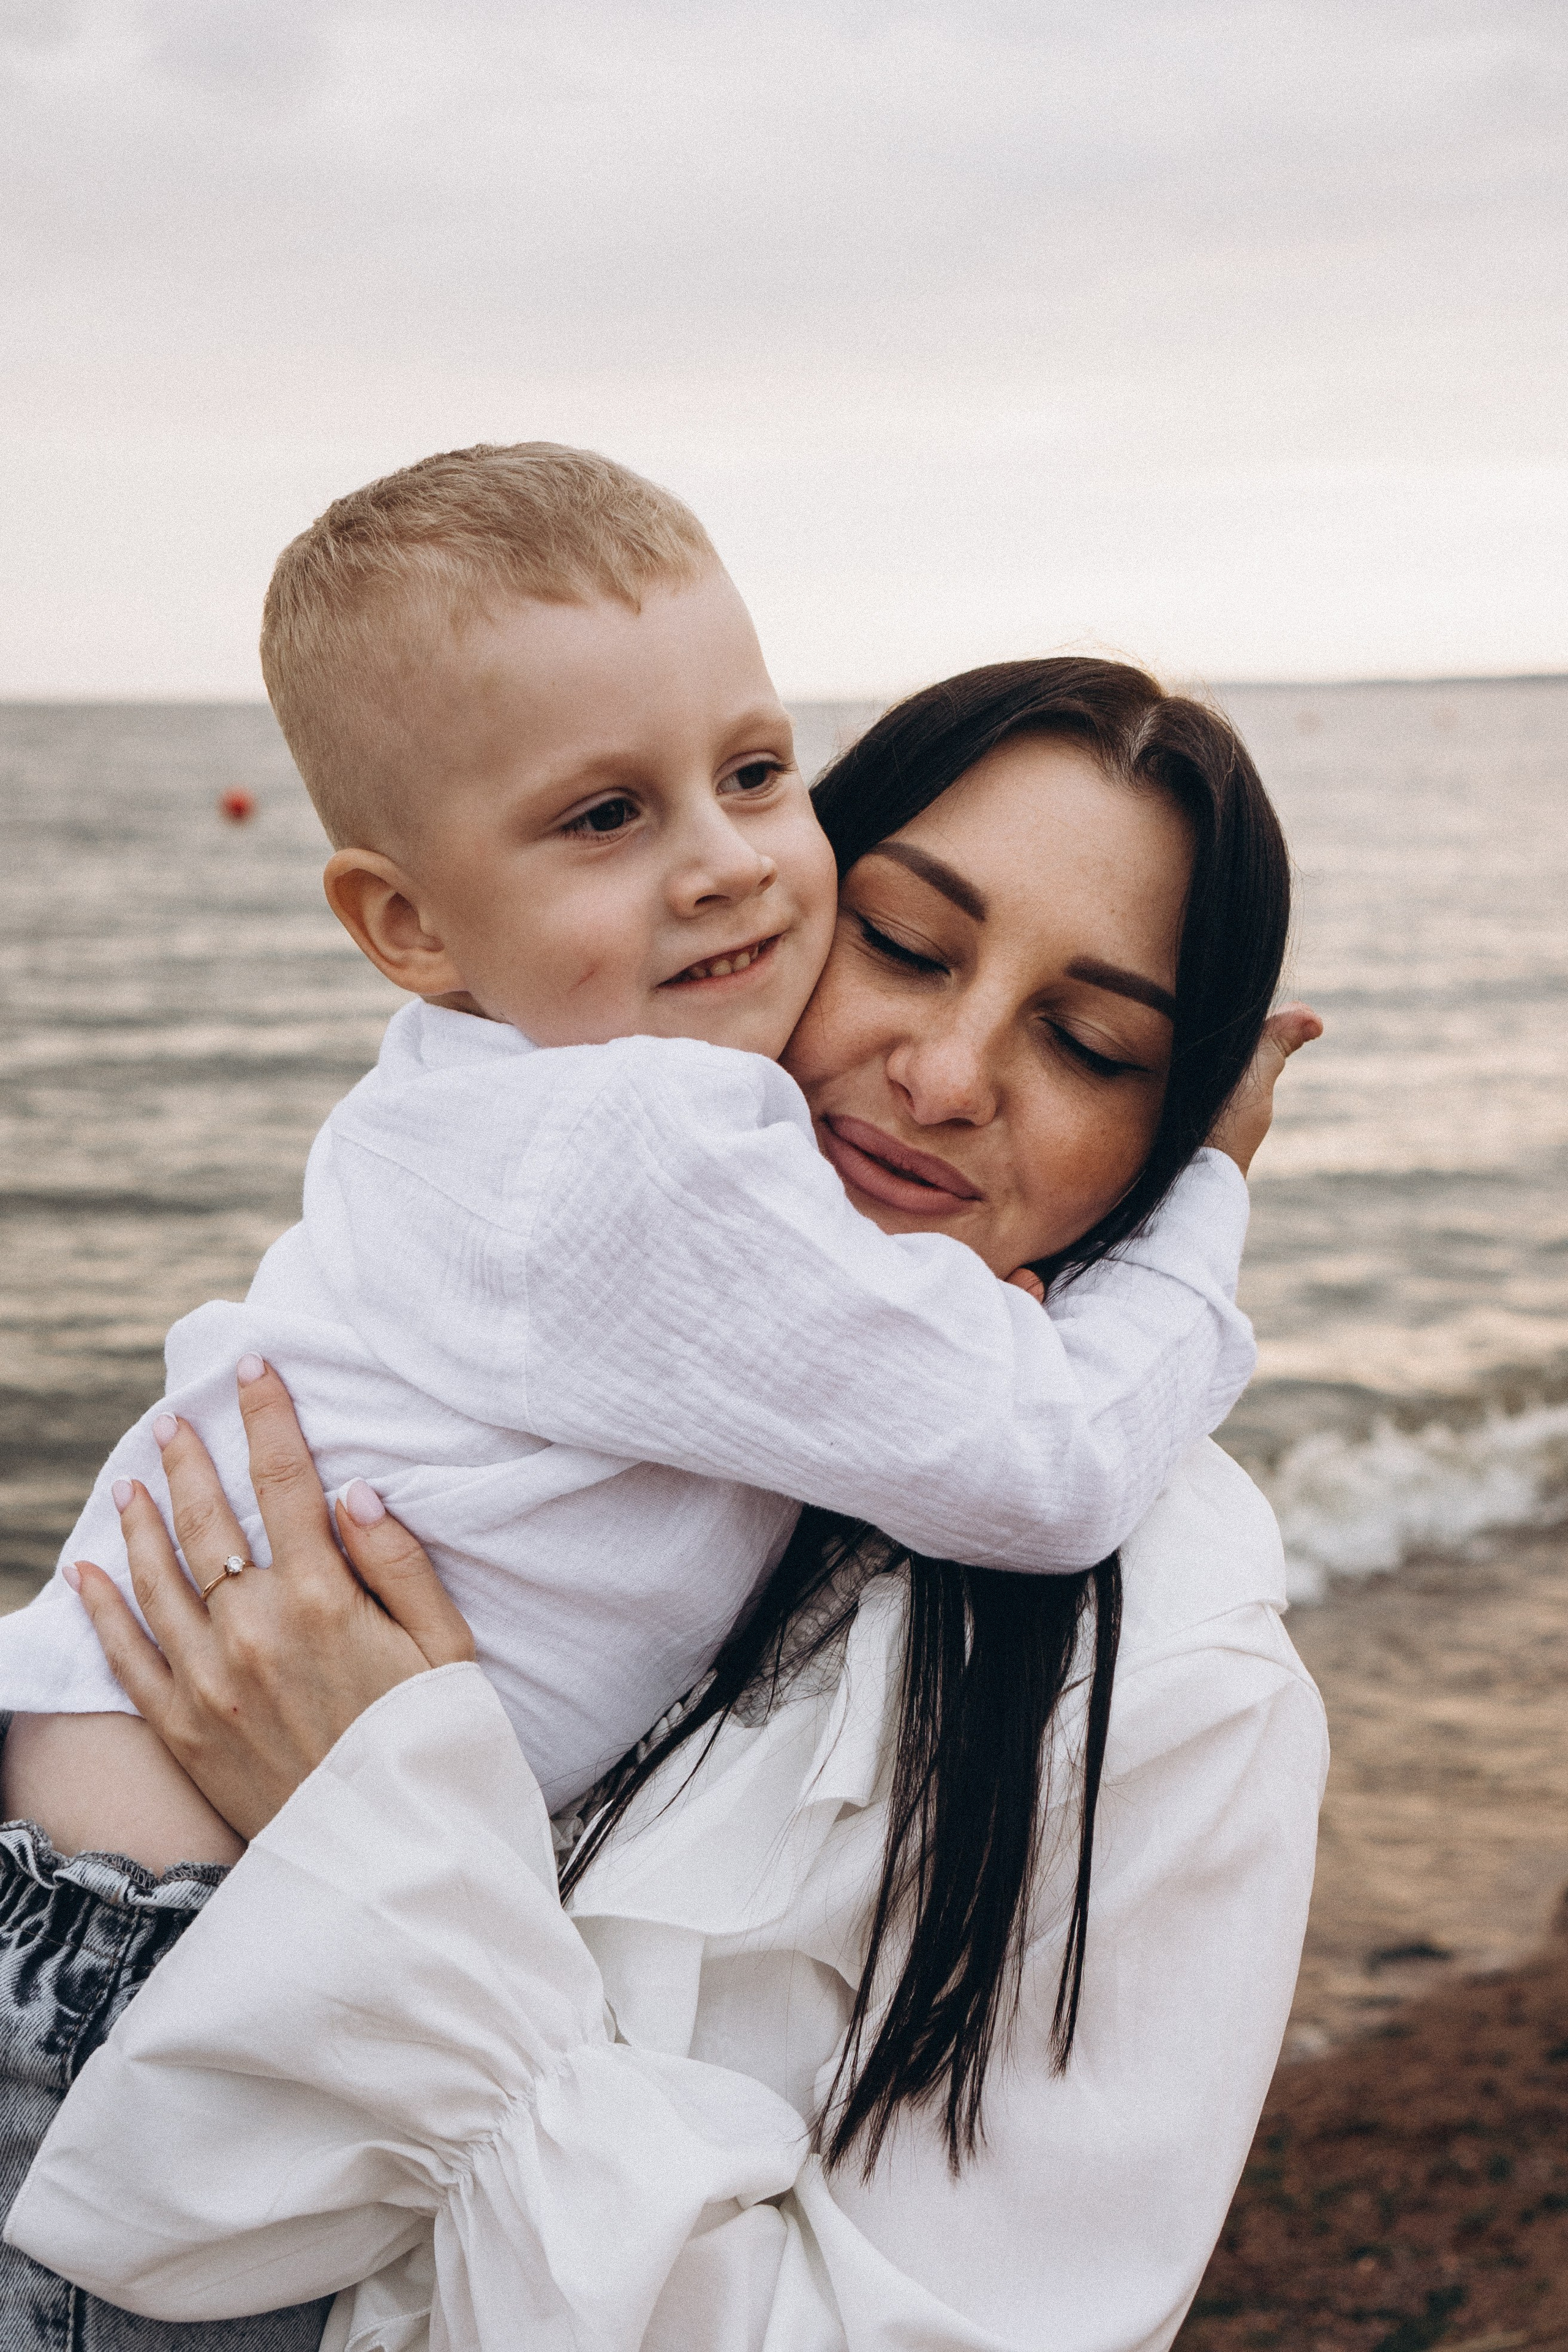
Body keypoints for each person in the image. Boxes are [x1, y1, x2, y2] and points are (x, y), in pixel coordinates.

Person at [8, 663, 1326, 2351]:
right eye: (907, 944)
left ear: (1172, 1127)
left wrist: (388, 1840)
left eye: (1092, 1044)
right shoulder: (587, 1305)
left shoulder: (1176, 1679)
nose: (942, 1070)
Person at [1, 449, 1259, 1847]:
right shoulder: (632, 1136)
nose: (725, 860)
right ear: (406, 928)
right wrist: (1203, 1189)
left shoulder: (484, 1099)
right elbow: (1056, 1465)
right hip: (138, 1886)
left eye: (756, 771)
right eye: (606, 814)